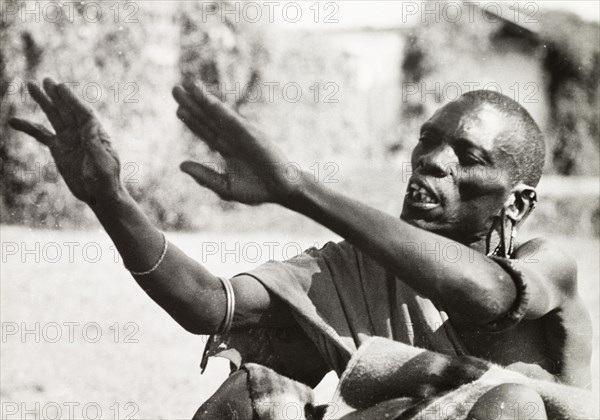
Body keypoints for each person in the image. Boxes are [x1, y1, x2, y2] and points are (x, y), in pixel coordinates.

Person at [9, 78, 592, 420]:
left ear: (515, 205)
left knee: (511, 404)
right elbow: (210, 306)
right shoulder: (354, 265)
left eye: (468, 157)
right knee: (253, 393)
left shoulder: (547, 267)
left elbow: (484, 296)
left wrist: (297, 189)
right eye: (429, 142)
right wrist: (110, 199)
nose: (432, 162)